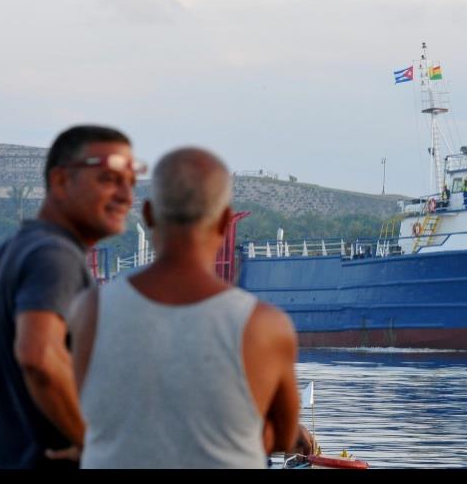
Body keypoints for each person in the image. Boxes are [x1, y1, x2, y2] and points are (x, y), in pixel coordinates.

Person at [69, 147, 300, 468]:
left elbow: (80, 413)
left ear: (148, 214)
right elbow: (287, 438)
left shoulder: (89, 311)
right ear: (223, 221)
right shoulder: (266, 326)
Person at [0, 125, 140, 468]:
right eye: (109, 179)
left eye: (131, 181)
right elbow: (39, 357)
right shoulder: (55, 258)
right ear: (62, 181)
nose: (127, 196)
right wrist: (93, 444)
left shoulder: (7, 255)